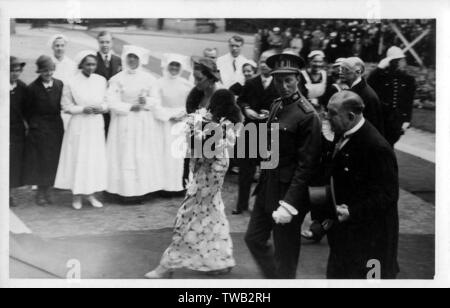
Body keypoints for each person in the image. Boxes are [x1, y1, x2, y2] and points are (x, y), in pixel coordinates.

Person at [145, 89, 242, 279]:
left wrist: (195, 136)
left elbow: (204, 149)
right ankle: (221, 258)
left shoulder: (215, 123)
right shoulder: (230, 121)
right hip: (216, 168)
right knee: (213, 213)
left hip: (208, 171)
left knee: (188, 216)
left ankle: (167, 265)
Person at [245, 51, 322, 279]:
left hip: (288, 193)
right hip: (268, 186)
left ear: (298, 79)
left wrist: (289, 204)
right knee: (254, 238)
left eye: (288, 80)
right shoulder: (277, 105)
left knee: (285, 254)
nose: (283, 86)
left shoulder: (308, 116)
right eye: (279, 80)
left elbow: (306, 166)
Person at [325, 90, 399, 279]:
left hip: (370, 239)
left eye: (332, 114)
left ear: (350, 116)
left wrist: (352, 211)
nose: (327, 118)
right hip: (348, 235)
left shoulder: (376, 147)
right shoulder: (344, 133)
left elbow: (388, 195)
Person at [105, 45, 164, 203]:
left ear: (140, 60)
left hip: (142, 123)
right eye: (129, 57)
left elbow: (156, 100)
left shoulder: (150, 79)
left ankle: (141, 190)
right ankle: (121, 190)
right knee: (124, 155)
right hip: (123, 121)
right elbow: (111, 101)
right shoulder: (117, 79)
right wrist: (130, 106)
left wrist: (147, 101)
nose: (132, 60)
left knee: (140, 155)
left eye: (135, 57)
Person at [54, 51, 108, 210]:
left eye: (93, 64)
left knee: (92, 159)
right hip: (79, 125)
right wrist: (82, 109)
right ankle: (76, 195)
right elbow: (66, 106)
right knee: (79, 158)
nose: (91, 67)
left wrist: (101, 108)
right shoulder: (71, 82)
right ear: (81, 65)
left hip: (95, 125)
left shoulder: (101, 80)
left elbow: (107, 102)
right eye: (88, 64)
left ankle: (90, 194)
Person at [233, 51, 279, 215]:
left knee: (267, 171)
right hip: (251, 129)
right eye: (262, 61)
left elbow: (285, 104)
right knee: (246, 170)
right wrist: (246, 109)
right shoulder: (251, 82)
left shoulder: (280, 84)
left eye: (268, 62)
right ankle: (242, 204)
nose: (264, 65)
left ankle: (263, 206)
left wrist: (273, 113)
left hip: (270, 132)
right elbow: (240, 99)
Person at [23, 56, 64, 207]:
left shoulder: (59, 84)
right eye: (45, 70)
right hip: (39, 128)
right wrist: (34, 125)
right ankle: (40, 191)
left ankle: (48, 189)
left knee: (52, 159)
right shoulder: (32, 88)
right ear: (39, 71)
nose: (48, 73)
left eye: (50, 70)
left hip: (55, 127)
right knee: (40, 160)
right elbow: (27, 110)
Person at [154, 53, 193, 193]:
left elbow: (191, 104)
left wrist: (183, 114)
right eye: (172, 65)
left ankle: (180, 184)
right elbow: (155, 104)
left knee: (179, 154)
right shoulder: (158, 83)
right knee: (165, 153)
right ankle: (163, 186)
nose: (174, 68)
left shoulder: (186, 84)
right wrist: (169, 116)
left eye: (177, 65)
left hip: (181, 123)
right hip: (164, 124)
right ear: (167, 65)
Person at [368, 46, 416, 146]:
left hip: (397, 121)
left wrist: (407, 120)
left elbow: (408, 102)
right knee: (381, 147)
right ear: (393, 62)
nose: (404, 63)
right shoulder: (381, 77)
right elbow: (368, 85)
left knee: (389, 145)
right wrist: (379, 68)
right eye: (400, 60)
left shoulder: (408, 80)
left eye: (403, 60)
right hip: (382, 119)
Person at [339, 57, 384, 135]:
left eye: (345, 69)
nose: (340, 72)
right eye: (341, 69)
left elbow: (372, 127)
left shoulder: (367, 95)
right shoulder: (354, 90)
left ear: (358, 72)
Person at [95, 31, 122, 138]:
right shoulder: (93, 59)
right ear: (98, 43)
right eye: (102, 42)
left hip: (113, 102)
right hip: (99, 101)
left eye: (107, 42)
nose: (105, 45)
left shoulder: (118, 60)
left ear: (112, 43)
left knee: (112, 133)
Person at [49, 34, 77, 131]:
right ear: (52, 47)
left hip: (67, 102)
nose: (60, 48)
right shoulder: (48, 63)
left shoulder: (72, 64)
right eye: (57, 46)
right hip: (52, 102)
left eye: (62, 45)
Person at [9, 57, 27, 208]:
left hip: (16, 130)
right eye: (12, 70)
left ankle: (10, 193)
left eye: (17, 71)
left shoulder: (22, 87)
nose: (15, 74)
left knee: (14, 162)